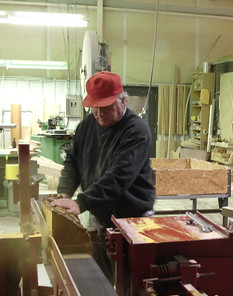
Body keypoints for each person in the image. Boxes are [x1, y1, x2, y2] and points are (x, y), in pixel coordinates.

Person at [50, 71, 155, 281]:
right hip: (100, 215)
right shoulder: (87, 126)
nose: (99, 114)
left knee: (132, 285)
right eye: (94, 108)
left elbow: (118, 177)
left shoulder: (136, 131)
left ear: (123, 101)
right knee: (101, 279)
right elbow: (72, 161)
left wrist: (82, 202)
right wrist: (64, 192)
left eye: (106, 107)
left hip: (131, 220)